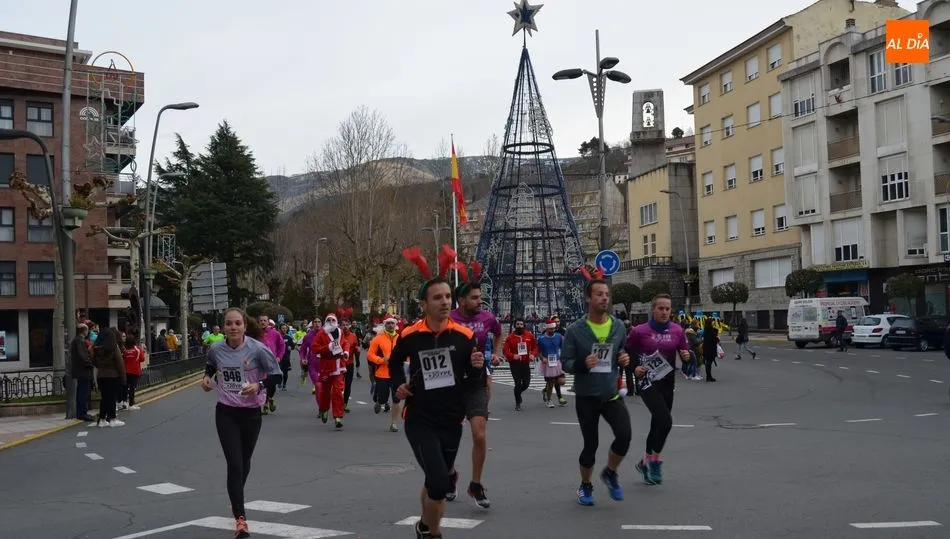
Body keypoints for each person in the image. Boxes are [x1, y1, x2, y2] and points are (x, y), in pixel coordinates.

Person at [390, 245, 483, 539]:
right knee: (440, 482)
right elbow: (393, 363)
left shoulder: (465, 337)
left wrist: (478, 366)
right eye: (437, 298)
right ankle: (432, 532)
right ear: (424, 304)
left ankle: (424, 526)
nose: (444, 302)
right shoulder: (409, 335)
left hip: (451, 421)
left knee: (436, 484)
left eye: (447, 297)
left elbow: (473, 378)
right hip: (420, 418)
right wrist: (397, 386)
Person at [201, 308, 282, 539]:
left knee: (244, 463)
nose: (233, 327)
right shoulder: (216, 348)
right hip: (226, 412)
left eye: (237, 323)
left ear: (245, 326)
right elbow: (211, 366)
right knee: (234, 464)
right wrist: (207, 378)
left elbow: (275, 376)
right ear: (223, 327)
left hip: (251, 412)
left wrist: (259, 386)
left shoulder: (258, 349)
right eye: (229, 324)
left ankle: (236, 496)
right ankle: (240, 518)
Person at [561, 267, 632, 506]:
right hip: (587, 395)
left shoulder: (618, 326)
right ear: (588, 298)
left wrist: (624, 357)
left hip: (611, 394)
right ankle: (586, 485)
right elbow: (566, 363)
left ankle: (610, 472)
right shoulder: (574, 330)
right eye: (599, 294)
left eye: (607, 294)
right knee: (591, 444)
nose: (604, 298)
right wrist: (582, 363)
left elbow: (622, 350)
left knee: (624, 436)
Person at [447, 264, 502, 509]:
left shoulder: (487, 318)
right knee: (447, 437)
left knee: (479, 434)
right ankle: (450, 475)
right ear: (461, 300)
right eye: (475, 298)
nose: (480, 301)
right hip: (451, 384)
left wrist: (496, 354)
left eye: (481, 297)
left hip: (477, 383)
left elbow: (499, 333)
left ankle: (476, 484)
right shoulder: (449, 319)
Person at [627, 294, 690, 486]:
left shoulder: (678, 331)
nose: (664, 312)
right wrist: (634, 368)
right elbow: (626, 353)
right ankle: (654, 462)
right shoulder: (640, 331)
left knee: (657, 425)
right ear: (653, 310)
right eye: (660, 308)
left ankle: (645, 462)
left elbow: (685, 353)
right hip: (647, 382)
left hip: (667, 383)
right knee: (665, 422)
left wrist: (687, 356)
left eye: (667, 309)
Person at [309, 313, 349, 428]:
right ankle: (324, 409)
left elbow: (345, 343)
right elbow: (314, 348)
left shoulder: (340, 332)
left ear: (336, 321)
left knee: (338, 392)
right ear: (326, 321)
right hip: (326, 366)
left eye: (333, 320)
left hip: (339, 365)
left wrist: (346, 352)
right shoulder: (322, 333)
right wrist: (328, 347)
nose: (331, 322)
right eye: (329, 320)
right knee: (325, 391)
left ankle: (338, 417)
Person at [368, 316, 402, 432]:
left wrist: (407, 363)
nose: (390, 325)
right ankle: (379, 401)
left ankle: (393, 423)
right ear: (385, 325)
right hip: (382, 373)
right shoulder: (378, 339)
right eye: (388, 323)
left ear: (395, 325)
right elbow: (370, 355)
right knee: (383, 397)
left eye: (392, 323)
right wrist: (382, 360)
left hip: (397, 373)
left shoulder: (401, 339)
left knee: (396, 399)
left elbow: (407, 354)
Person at [92, 328, 126, 428]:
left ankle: (102, 419)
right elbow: (120, 364)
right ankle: (112, 419)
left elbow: (94, 363)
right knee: (112, 398)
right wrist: (123, 378)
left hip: (101, 376)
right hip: (113, 376)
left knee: (104, 398)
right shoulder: (114, 348)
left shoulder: (97, 349)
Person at [503, 317, 538, 411]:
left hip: (525, 363)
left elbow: (535, 347)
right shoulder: (510, 337)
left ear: (524, 325)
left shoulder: (529, 336)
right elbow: (505, 351)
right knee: (517, 383)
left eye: (521, 324)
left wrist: (533, 355)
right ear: (515, 325)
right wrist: (512, 355)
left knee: (526, 383)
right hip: (514, 364)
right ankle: (518, 402)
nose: (519, 326)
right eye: (517, 324)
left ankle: (517, 393)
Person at [257, 315, 286, 414]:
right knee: (261, 383)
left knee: (271, 383)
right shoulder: (256, 334)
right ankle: (264, 404)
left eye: (264, 320)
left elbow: (282, 346)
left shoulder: (275, 333)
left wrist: (279, 357)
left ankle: (269, 398)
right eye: (261, 320)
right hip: (259, 363)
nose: (262, 322)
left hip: (272, 362)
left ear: (268, 322)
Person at [537, 318, 566, 408]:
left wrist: (564, 357)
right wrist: (542, 358)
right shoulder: (541, 339)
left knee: (561, 381)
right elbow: (538, 352)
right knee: (551, 382)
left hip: (557, 362)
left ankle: (546, 391)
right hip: (547, 363)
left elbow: (563, 347)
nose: (552, 330)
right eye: (550, 328)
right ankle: (549, 400)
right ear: (547, 328)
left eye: (553, 328)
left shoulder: (559, 337)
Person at [71, 324, 95, 422]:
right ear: (84, 331)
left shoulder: (77, 340)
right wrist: (90, 363)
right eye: (87, 330)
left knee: (82, 392)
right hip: (83, 371)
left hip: (81, 370)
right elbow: (83, 357)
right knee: (83, 393)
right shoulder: (80, 341)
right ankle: (82, 413)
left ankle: (82, 412)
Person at [340, 310, 360, 412]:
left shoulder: (353, 336)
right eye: (343, 325)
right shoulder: (337, 336)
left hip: (350, 364)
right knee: (339, 385)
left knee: (348, 385)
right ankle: (338, 403)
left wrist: (358, 361)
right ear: (340, 326)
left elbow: (356, 349)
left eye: (347, 324)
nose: (345, 326)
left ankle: (345, 404)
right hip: (339, 364)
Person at [119, 335, 145, 410]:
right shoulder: (138, 349)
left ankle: (124, 403)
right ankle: (131, 404)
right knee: (132, 388)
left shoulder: (125, 350)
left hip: (126, 371)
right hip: (135, 371)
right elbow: (142, 359)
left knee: (125, 387)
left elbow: (123, 359)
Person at [279, 323, 295, 390]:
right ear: (280, 329)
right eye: (283, 328)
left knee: (285, 372)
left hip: (286, 357)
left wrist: (290, 347)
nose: (284, 329)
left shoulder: (289, 338)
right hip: (279, 357)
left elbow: (293, 346)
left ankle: (284, 385)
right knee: (279, 371)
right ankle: (279, 381)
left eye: (285, 328)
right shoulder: (278, 337)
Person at [702, 318, 719, 382]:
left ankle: (709, 376)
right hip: (710, 349)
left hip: (707, 348)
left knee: (708, 363)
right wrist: (717, 339)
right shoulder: (710, 330)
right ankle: (708, 376)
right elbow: (713, 339)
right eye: (712, 322)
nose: (713, 323)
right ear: (710, 323)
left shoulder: (706, 329)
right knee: (709, 363)